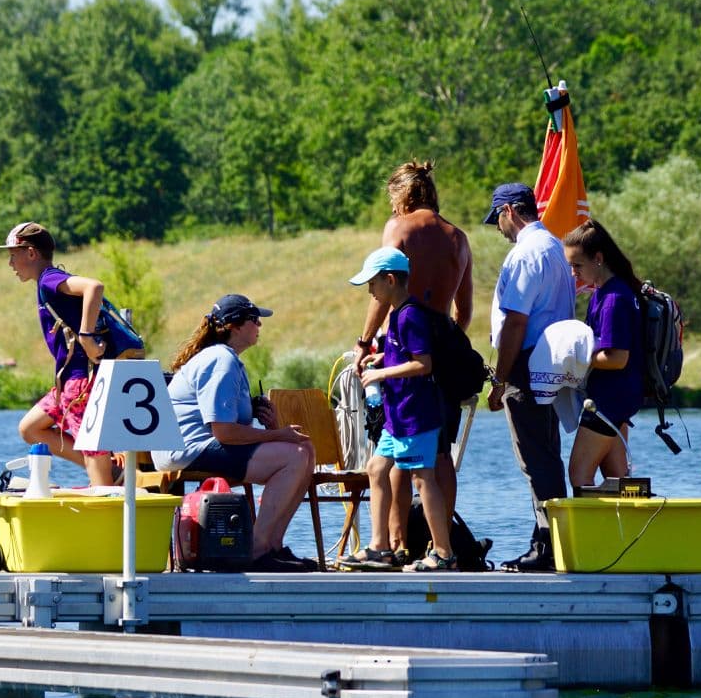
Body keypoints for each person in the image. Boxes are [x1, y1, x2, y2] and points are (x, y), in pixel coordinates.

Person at [351, 160, 473, 563]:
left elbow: (380, 294)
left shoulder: (398, 229)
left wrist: (366, 343)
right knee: (439, 455)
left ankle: (398, 543)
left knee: (404, 455)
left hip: (405, 348)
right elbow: (465, 310)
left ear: (402, 195)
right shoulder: (459, 237)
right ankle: (443, 544)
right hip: (446, 344)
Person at [151, 294, 317, 573]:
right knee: (295, 454)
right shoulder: (220, 361)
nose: (260, 326)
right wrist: (280, 436)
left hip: (200, 445)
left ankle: (273, 546)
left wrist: (256, 412)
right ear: (235, 327)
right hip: (188, 450)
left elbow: (223, 423)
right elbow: (224, 432)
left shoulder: (225, 359)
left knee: (305, 451)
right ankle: (257, 549)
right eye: (255, 320)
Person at [341, 247, 454, 572]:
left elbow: (422, 363)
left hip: (416, 415)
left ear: (390, 280)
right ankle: (380, 547)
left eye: (373, 284)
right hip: (397, 416)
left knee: (422, 478)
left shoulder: (410, 316)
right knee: (377, 469)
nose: (370, 291)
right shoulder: (396, 316)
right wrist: (382, 359)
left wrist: (379, 373)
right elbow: (402, 355)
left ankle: (444, 553)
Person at [485, 183, 576, 572]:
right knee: (546, 453)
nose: (499, 229)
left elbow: (516, 322)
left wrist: (500, 379)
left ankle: (548, 546)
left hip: (526, 363)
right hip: (551, 361)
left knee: (534, 457)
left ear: (509, 211)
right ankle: (554, 540)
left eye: (498, 220)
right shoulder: (555, 246)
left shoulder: (524, 253)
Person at [0, 222, 115, 487]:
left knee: (92, 446)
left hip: (80, 381)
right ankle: (108, 470)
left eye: (13, 255)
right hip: (66, 382)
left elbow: (94, 286)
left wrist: (86, 336)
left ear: (31, 253)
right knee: (31, 428)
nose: (10, 263)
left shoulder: (49, 279)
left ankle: (105, 487)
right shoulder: (46, 282)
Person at [561, 219, 644, 491]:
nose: (574, 273)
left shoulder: (614, 298)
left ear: (598, 258)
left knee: (579, 475)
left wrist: (573, 358)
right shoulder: (603, 293)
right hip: (614, 398)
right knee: (619, 481)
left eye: (577, 265)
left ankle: (589, 534)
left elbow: (618, 358)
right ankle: (633, 532)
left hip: (611, 400)